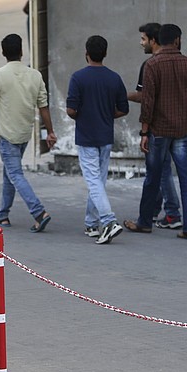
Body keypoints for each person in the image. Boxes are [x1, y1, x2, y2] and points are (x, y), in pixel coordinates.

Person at [0, 34, 56, 232]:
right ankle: (2, 215)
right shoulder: (35, 75)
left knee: (15, 174)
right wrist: (50, 131)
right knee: (9, 173)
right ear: (21, 52)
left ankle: (39, 212)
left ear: (3, 53)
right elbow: (43, 106)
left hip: (7, 135)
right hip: (25, 133)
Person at [125, 24, 187, 240]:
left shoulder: (152, 65)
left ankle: (145, 222)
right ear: (177, 40)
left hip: (159, 131)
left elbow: (148, 103)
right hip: (183, 131)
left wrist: (144, 132)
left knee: (153, 177)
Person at [66, 35, 129, 244]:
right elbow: (123, 109)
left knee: (93, 181)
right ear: (105, 53)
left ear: (86, 54)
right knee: (99, 181)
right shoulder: (114, 78)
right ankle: (92, 224)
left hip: (86, 135)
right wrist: (105, 115)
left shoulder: (78, 78)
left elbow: (71, 110)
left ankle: (108, 221)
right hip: (105, 135)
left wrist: (83, 115)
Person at [128, 22, 182, 230]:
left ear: (153, 40)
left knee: (160, 171)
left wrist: (121, 96)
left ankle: (172, 212)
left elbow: (145, 98)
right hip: (178, 126)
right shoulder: (180, 61)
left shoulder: (151, 65)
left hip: (158, 127)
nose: (141, 43)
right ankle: (154, 211)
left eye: (143, 39)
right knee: (163, 170)